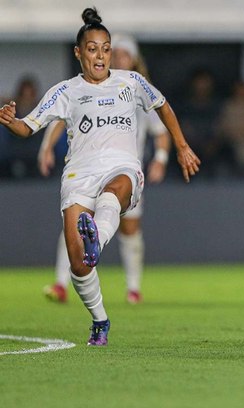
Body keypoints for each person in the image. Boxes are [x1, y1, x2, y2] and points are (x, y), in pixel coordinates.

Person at [0, 8, 200, 346]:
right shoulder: (65, 91)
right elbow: (28, 126)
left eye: (106, 48)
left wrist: (180, 147)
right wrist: (10, 120)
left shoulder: (131, 82)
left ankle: (98, 241)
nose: (101, 55)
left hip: (122, 167)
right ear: (79, 53)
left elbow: (163, 106)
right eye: (93, 49)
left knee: (114, 192)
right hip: (78, 175)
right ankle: (100, 318)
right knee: (79, 266)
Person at [40, 33, 172, 305]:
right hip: (89, 167)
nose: (119, 57)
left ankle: (133, 288)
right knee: (76, 222)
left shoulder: (137, 88)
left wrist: (160, 157)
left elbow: (161, 130)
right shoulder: (88, 87)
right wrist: (46, 148)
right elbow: (62, 118)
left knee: (130, 228)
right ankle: (61, 283)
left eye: (124, 53)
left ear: (133, 58)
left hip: (124, 170)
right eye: (117, 52)